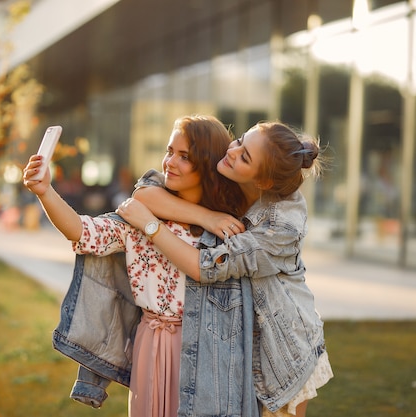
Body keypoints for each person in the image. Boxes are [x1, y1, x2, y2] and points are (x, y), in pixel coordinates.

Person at [22, 115, 250, 417]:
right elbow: (82, 231)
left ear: (207, 163)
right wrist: (45, 192)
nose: (170, 162)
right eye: (170, 151)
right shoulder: (140, 217)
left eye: (185, 156)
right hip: (150, 341)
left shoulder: (226, 226)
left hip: (205, 347)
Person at [118, 121, 334, 417]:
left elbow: (203, 267)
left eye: (245, 157)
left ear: (264, 182)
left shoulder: (281, 224)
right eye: (240, 141)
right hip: (235, 345)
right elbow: (145, 193)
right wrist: (206, 216)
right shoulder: (225, 173)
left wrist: (151, 225)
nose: (233, 152)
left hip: (281, 352)